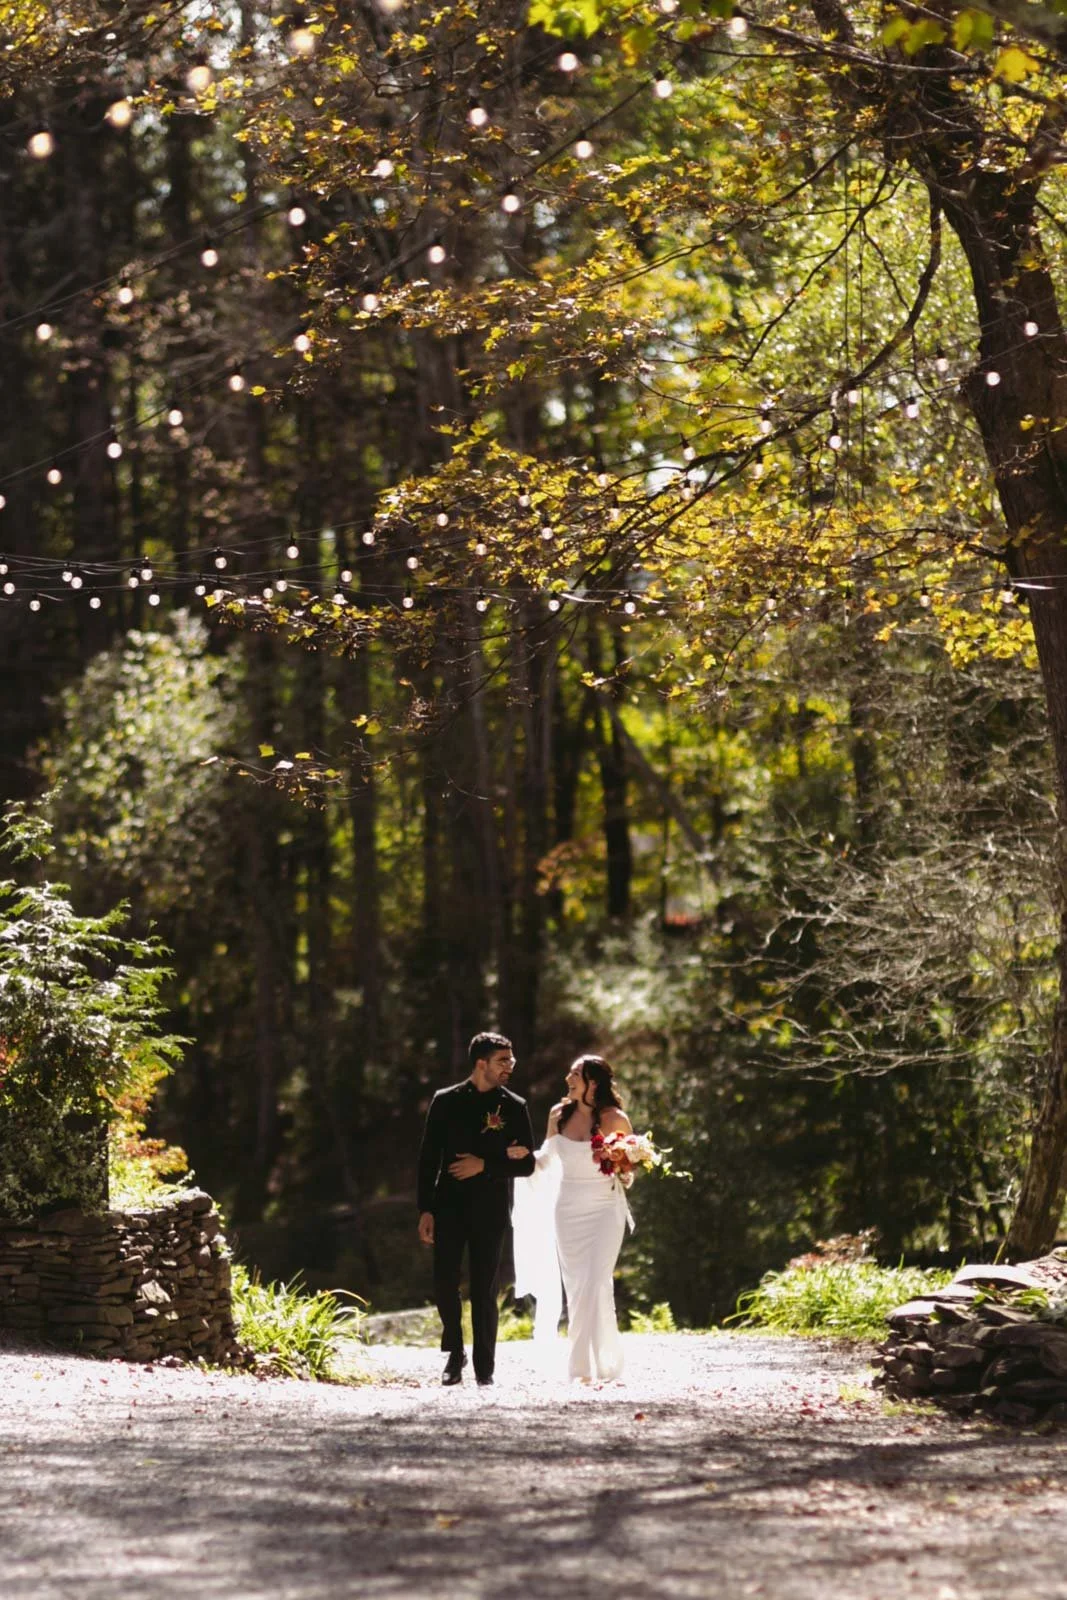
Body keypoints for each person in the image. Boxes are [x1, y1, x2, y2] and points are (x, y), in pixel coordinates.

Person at [416, 1031, 536, 1386]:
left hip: (490, 1208)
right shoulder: (445, 1101)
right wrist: (425, 1209)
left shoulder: (514, 1106)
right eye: (503, 1061)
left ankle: (486, 1366)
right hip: (448, 1206)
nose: (510, 1067)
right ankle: (454, 1352)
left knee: (484, 1287)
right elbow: (428, 1159)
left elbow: (527, 1164)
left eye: (511, 1060)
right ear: (481, 1063)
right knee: (444, 1281)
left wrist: (486, 1165)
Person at [510, 1054, 634, 1383]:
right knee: (580, 1288)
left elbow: (629, 1173)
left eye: (575, 1073)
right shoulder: (558, 1115)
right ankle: (596, 1366)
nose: (568, 1078)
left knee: (595, 1280)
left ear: (593, 1082)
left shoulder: (615, 1119)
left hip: (606, 1208)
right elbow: (547, 1160)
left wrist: (622, 1164)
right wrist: (525, 1158)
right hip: (567, 1211)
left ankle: (584, 1367)